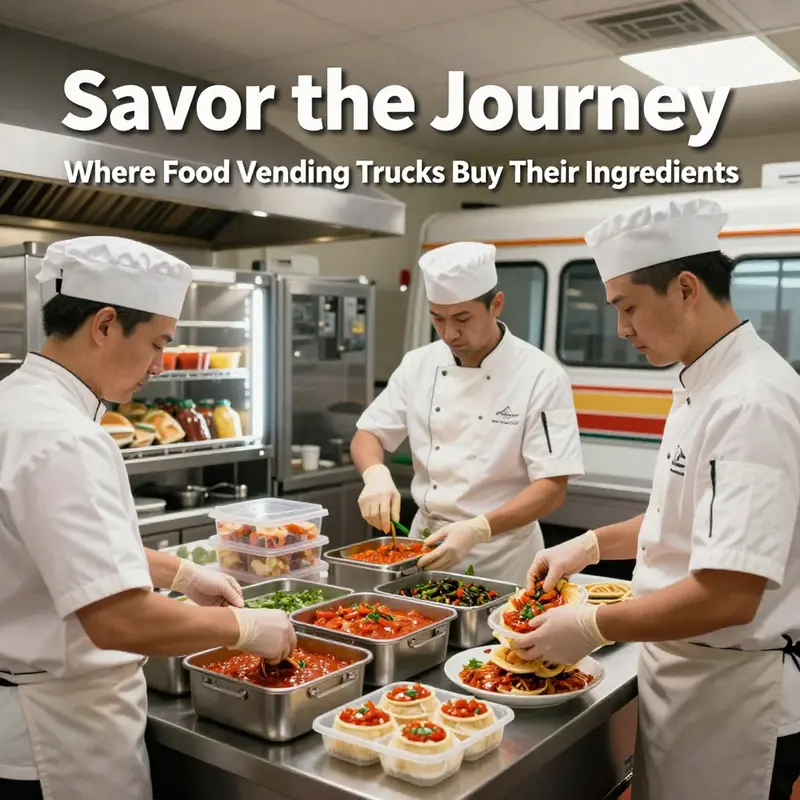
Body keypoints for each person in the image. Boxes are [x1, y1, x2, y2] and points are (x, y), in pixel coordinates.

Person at [513, 198, 800, 800]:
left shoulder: (749, 400)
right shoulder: (703, 377)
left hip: (735, 696)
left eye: (628, 307)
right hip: (689, 675)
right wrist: (588, 546)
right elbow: (685, 516)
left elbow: (729, 594)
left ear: (686, 288)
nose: (621, 328)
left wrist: (591, 624)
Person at [0, 236, 296, 800]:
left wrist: (181, 575)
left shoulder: (15, 403)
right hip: (60, 745)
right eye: (158, 343)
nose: (159, 366)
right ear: (105, 324)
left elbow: (60, 552)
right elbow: (121, 622)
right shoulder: (66, 439)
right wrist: (246, 630)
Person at [351, 241, 584, 585]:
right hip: (423, 547)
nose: (450, 333)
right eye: (438, 319)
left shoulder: (539, 376)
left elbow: (552, 486)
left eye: (462, 318)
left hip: (501, 556)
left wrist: (480, 528)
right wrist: (374, 474)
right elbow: (368, 433)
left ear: (496, 305)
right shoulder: (419, 364)